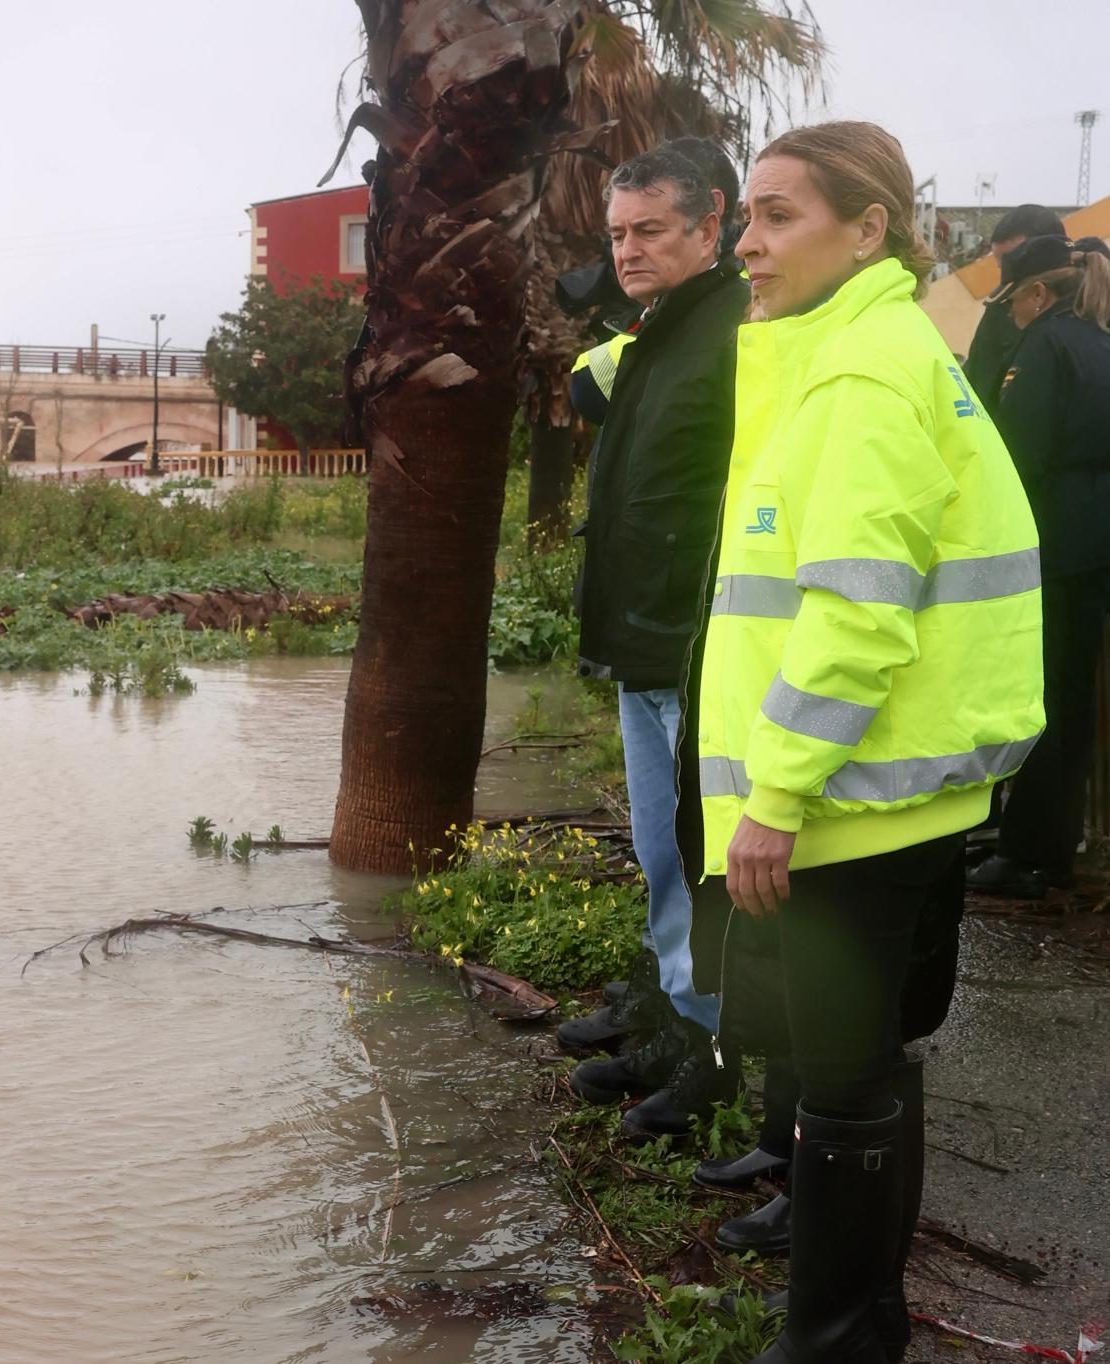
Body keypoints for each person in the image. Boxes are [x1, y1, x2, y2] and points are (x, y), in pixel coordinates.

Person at [705, 121, 1042, 1361]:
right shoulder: (872, 346)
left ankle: (839, 1340)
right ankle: (858, 1325)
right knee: (866, 1071)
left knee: (845, 1084)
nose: (748, 242)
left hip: (851, 795)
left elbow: (854, 610)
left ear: (871, 230)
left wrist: (776, 793)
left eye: (778, 215)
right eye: (748, 215)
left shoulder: (860, 370)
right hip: (898, 786)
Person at [562, 142, 749, 1139]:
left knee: (694, 857)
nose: (627, 250)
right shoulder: (659, 328)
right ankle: (665, 1013)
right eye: (618, 233)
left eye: (649, 231)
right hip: (641, 642)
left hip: (695, 646)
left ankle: (707, 1057)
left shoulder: (737, 329)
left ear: (710, 223)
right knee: (657, 854)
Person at [968, 235, 1110, 898]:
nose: (1008, 315)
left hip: (1051, 540)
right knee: (1073, 700)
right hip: (1092, 539)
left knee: (1041, 700)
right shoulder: (1095, 338)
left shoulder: (1045, 347)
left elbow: (1014, 454)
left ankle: (1029, 855)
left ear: (1035, 293)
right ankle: (1052, 843)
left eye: (1009, 302)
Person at [963, 204, 1068, 409]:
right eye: (1003, 265)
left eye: (1017, 262)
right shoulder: (998, 309)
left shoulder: (1088, 320)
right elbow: (975, 377)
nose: (1008, 274)